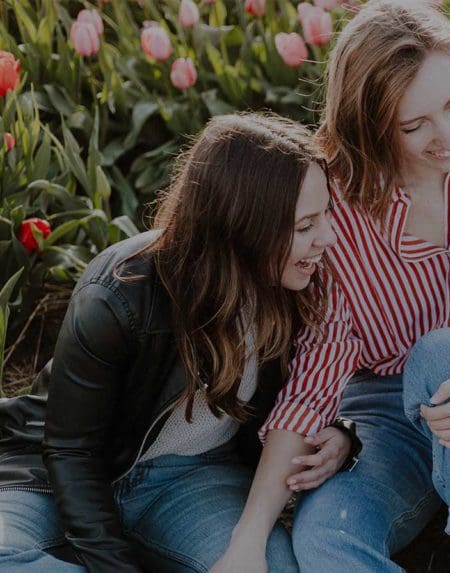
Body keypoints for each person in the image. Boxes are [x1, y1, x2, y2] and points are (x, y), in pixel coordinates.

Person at [219, 1, 450, 571]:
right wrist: (248, 537)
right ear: (369, 127)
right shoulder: (334, 195)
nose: (447, 137)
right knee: (325, 541)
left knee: (444, 353)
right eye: (414, 126)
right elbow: (318, 371)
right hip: (389, 417)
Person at [0, 113, 355, 573]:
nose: (325, 237)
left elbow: (316, 387)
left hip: (190, 478)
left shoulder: (301, 289)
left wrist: (343, 433)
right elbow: (72, 452)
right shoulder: (119, 295)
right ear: (241, 226)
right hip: (55, 474)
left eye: (325, 215)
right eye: (304, 226)